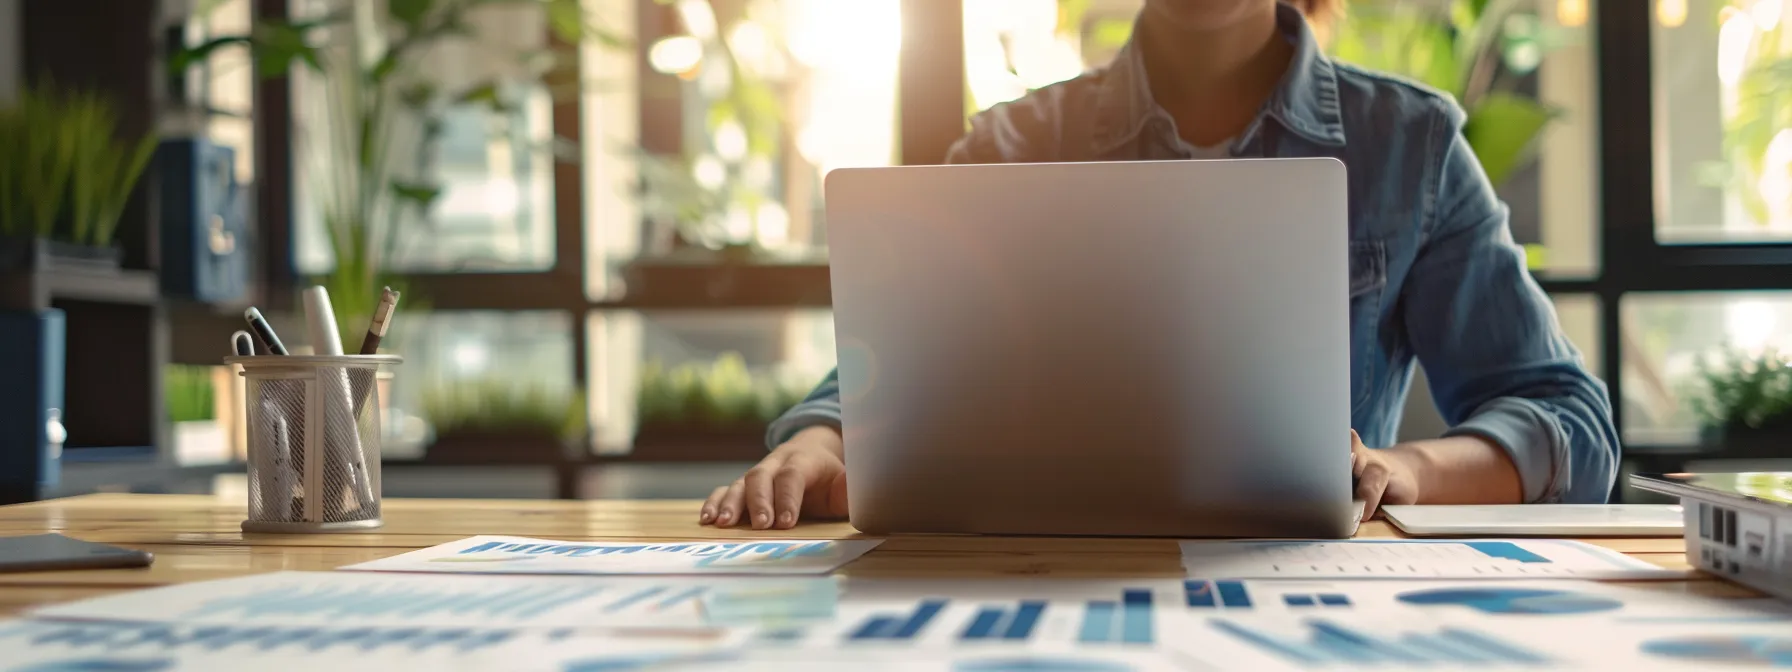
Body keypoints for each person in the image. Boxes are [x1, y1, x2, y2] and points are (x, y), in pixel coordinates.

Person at [699, 0, 1620, 530]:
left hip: (1312, 610)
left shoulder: (1410, 145)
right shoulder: (1014, 147)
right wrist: (822, 442)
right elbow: (877, 385)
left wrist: (1405, 466)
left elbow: (1567, 420)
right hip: (1032, 597)